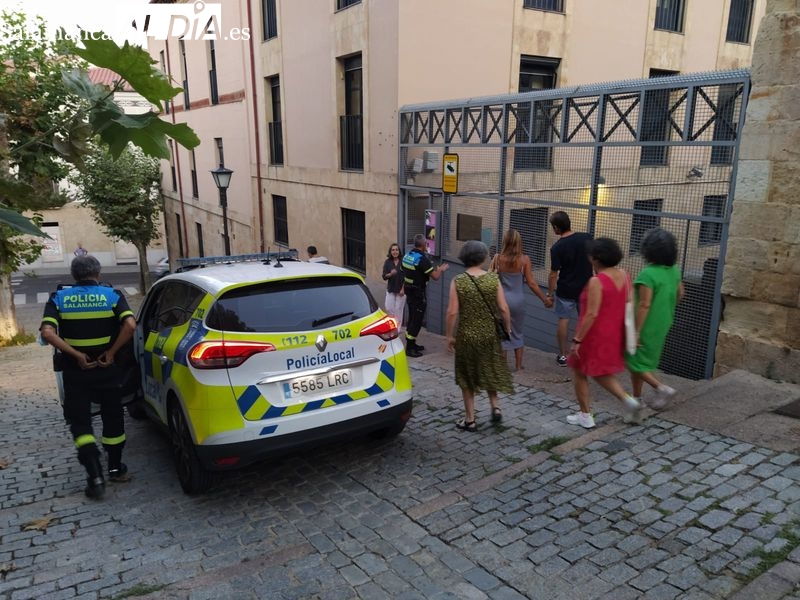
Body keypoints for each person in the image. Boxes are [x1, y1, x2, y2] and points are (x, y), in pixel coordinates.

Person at [40, 255, 137, 499]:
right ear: (98, 273)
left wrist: (76, 355)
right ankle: (115, 468)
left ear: (74, 275)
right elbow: (130, 325)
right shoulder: (112, 295)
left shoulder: (59, 298)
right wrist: (111, 353)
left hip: (76, 372)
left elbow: (47, 333)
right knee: (113, 418)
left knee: (80, 423)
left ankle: (94, 474)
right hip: (107, 370)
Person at [566, 238, 641, 429]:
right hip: (614, 332)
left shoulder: (596, 281)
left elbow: (591, 313)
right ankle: (626, 401)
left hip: (593, 334)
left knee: (581, 371)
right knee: (600, 371)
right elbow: (630, 303)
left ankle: (587, 414)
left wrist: (577, 339)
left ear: (596, 259)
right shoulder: (624, 275)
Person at [446, 240, 513, 431]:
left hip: (467, 337)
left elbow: (452, 312)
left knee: (467, 376)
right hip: (490, 335)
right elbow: (504, 308)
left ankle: (470, 419)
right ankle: (495, 406)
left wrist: (449, 336)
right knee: (490, 368)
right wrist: (507, 328)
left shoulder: (458, 281)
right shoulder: (493, 279)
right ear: (483, 258)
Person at [626, 228, 685, 410]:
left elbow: (644, 304)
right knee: (643, 361)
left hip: (645, 325)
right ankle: (637, 397)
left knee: (632, 361)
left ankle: (661, 388)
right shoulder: (674, 270)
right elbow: (680, 293)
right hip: (663, 321)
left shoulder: (647, 274)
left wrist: (636, 332)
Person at [491, 229, 553, 371]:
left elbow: (493, 279)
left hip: (501, 300)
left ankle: (502, 366)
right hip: (518, 300)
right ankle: (519, 366)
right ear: (519, 242)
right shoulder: (524, 260)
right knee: (517, 333)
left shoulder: (498, 258)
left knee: (503, 333)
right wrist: (544, 299)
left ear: (505, 241)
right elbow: (531, 283)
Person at [548, 211, 594, 367]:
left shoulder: (557, 248)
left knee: (564, 320)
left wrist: (550, 294)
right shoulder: (587, 238)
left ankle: (563, 355)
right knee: (586, 320)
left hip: (566, 289)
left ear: (556, 227)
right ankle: (586, 353)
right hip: (586, 288)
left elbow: (553, 274)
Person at [401, 234, 449, 357]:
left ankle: (412, 343)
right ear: (423, 245)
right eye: (426, 243)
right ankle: (410, 349)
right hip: (418, 293)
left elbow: (403, 272)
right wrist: (441, 269)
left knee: (412, 317)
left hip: (409, 291)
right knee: (417, 320)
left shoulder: (407, 255)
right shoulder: (422, 259)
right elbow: (435, 277)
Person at [382, 243, 406, 329]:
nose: (395, 252)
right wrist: (390, 274)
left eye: (396, 250)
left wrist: (403, 289)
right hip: (391, 289)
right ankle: (392, 326)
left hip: (401, 290)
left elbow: (407, 276)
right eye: (393, 250)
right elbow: (384, 276)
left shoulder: (403, 262)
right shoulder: (387, 262)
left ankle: (397, 330)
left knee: (398, 310)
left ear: (399, 251)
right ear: (390, 252)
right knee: (388, 308)